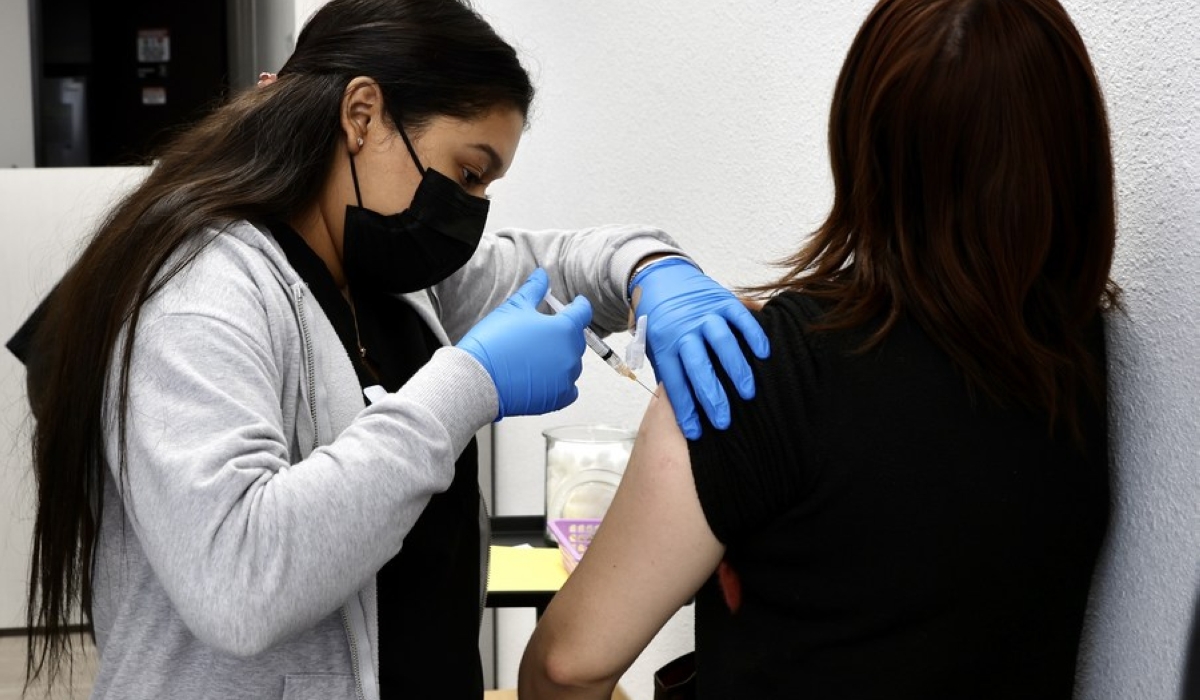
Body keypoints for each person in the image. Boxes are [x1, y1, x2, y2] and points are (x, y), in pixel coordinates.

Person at [13, 1, 771, 698]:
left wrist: (655, 274)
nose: (471, 212)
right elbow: (239, 581)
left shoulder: (389, 275)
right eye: (467, 173)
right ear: (363, 114)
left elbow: (566, 263)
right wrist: (468, 384)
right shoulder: (199, 290)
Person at [519, 0, 1117, 697]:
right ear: (1074, 154)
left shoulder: (761, 369)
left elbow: (567, 668)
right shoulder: (1082, 357)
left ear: (859, 145)